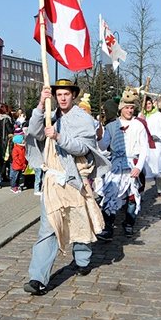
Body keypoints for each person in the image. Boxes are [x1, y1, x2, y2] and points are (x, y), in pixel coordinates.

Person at [23, 79, 109, 295]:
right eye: (58, 94)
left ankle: (82, 260)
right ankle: (38, 279)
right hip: (52, 180)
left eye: (66, 94)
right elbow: (35, 132)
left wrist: (59, 137)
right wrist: (41, 105)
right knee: (49, 227)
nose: (62, 98)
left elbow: (82, 148)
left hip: (74, 180)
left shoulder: (83, 119)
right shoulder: (49, 115)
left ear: (73, 96)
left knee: (78, 220)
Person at [96, 88, 148, 239]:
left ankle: (129, 223)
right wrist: (99, 136)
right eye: (127, 107)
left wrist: (138, 167)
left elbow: (144, 148)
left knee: (132, 195)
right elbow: (103, 146)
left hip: (132, 163)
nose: (130, 110)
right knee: (110, 194)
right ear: (121, 109)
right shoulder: (112, 126)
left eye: (132, 107)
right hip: (116, 164)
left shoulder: (139, 125)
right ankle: (108, 227)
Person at [140, 96, 161, 196]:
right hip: (144, 145)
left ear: (152, 104)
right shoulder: (141, 115)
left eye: (149, 104)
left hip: (155, 145)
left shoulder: (158, 115)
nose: (148, 106)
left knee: (157, 167)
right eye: (146, 104)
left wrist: (158, 136)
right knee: (143, 168)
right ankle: (141, 192)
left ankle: (160, 188)